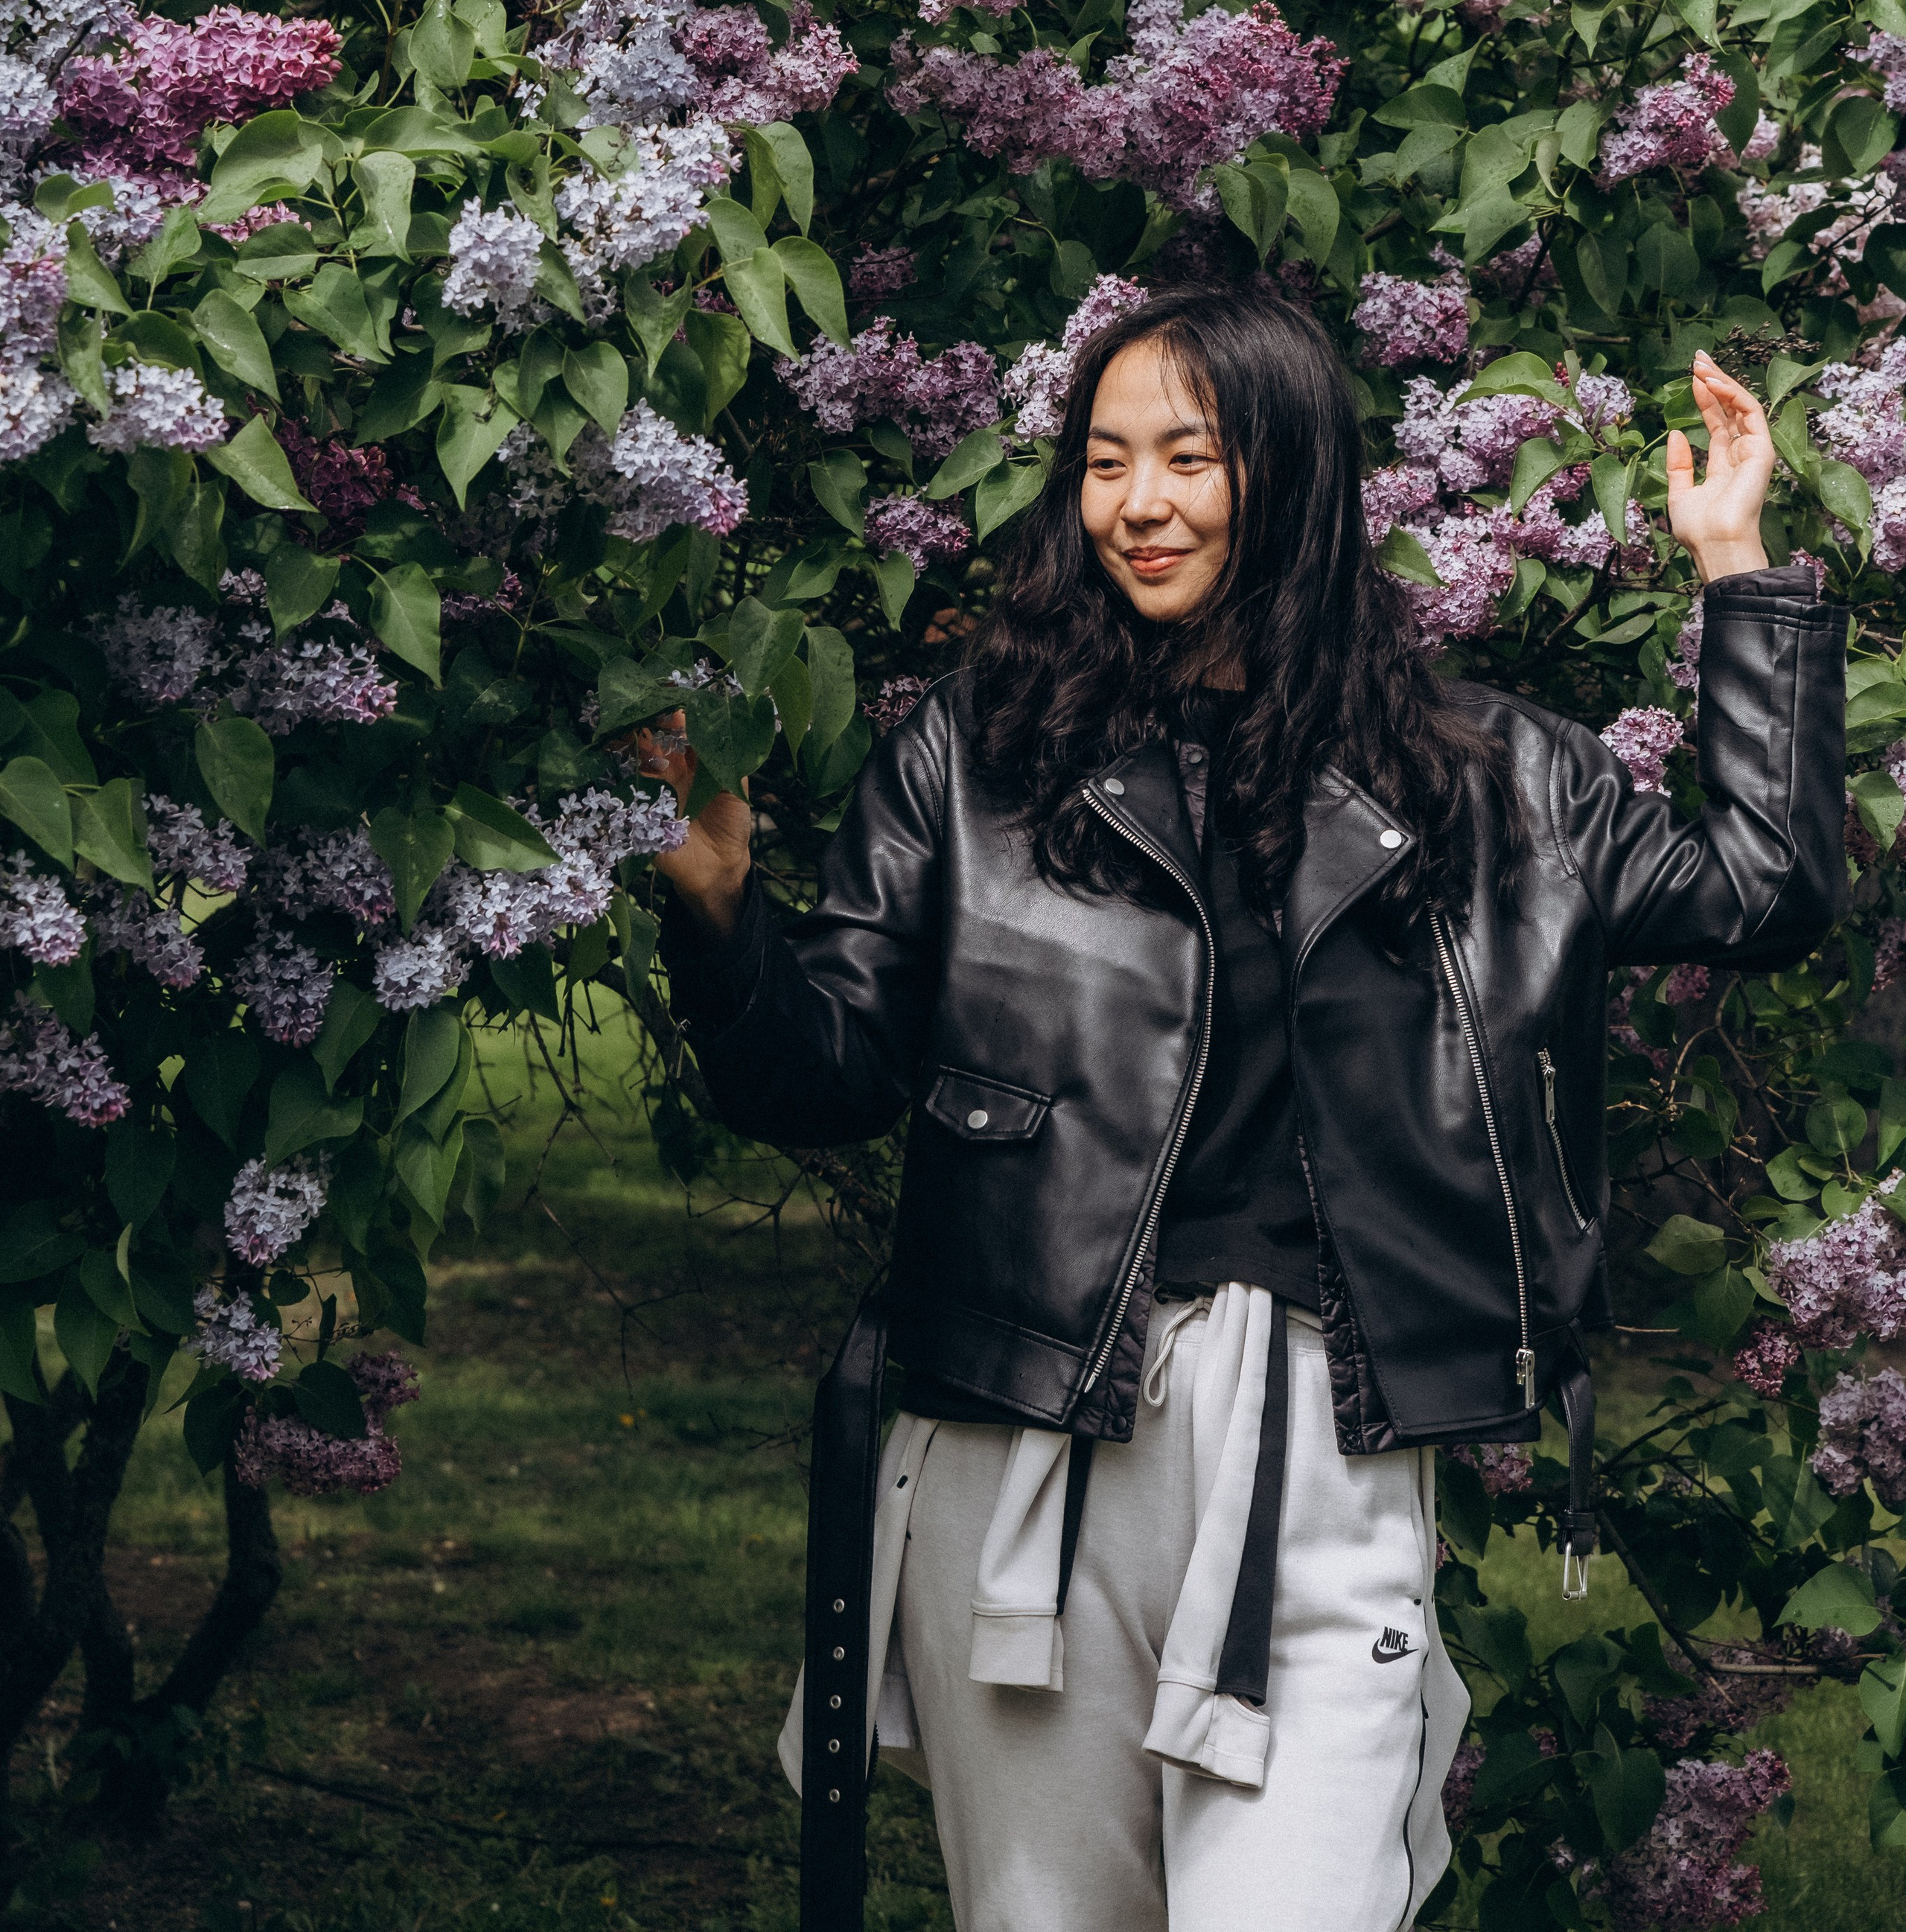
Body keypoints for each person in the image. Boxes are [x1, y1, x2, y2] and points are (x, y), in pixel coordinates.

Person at [640, 284, 1846, 1932]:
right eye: (1105, 461)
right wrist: (718, 916)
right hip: (1028, 1440)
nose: (1137, 504)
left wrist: (1732, 572)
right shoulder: (973, 762)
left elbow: (1761, 890)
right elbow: (826, 1077)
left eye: (1188, 459)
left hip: (1321, 1437)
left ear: (1283, 476)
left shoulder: (1486, 777)